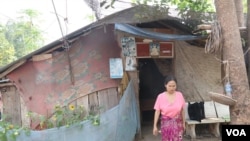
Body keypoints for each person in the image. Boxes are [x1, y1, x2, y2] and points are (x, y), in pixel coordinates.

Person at [153, 75, 186, 141]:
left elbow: (183, 110)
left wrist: (184, 123)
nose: (172, 88)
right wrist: (155, 126)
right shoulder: (160, 97)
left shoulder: (180, 95)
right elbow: (157, 111)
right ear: (165, 85)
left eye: (174, 86)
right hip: (166, 125)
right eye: (170, 86)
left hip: (178, 124)